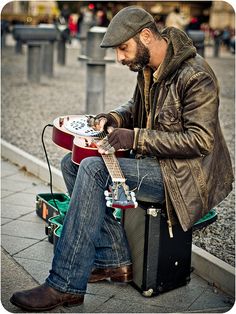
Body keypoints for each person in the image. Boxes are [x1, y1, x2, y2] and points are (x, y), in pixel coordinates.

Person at [10, 5, 234, 311]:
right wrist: (114, 117)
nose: (120, 58)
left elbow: (200, 140)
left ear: (145, 35)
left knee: (92, 169)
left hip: (187, 177)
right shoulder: (148, 67)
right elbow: (135, 106)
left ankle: (64, 284)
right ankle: (115, 260)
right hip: (161, 164)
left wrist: (135, 137)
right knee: (72, 163)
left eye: (123, 48)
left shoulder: (195, 76)